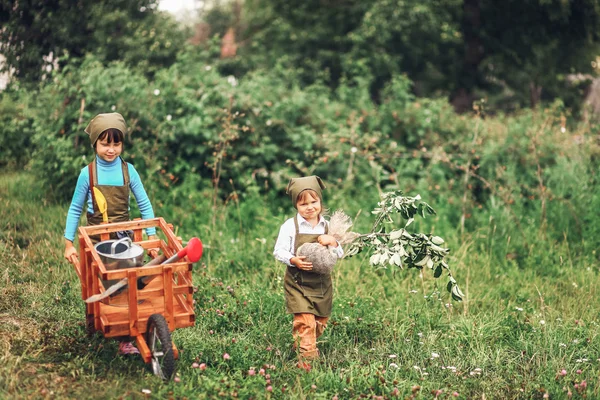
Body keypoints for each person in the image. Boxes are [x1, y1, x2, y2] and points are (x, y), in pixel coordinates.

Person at [63, 112, 157, 355]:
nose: (111, 149)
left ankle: (125, 336)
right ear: (95, 143)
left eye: (116, 143)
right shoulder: (88, 174)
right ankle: (94, 321)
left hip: (122, 238)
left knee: (126, 284)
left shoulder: (129, 171)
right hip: (95, 239)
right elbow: (75, 208)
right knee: (94, 283)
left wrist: (150, 235)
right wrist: (68, 243)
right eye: (106, 143)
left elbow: (144, 204)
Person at [273, 176, 343, 371]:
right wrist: (293, 260)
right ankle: (307, 363)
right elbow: (279, 251)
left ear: (320, 201)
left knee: (320, 323)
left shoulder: (328, 226)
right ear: (296, 205)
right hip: (298, 283)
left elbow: (340, 253)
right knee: (306, 322)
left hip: (321, 284)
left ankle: (303, 342)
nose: (310, 207)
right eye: (304, 204)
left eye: (314, 201)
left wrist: (333, 243)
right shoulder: (290, 227)